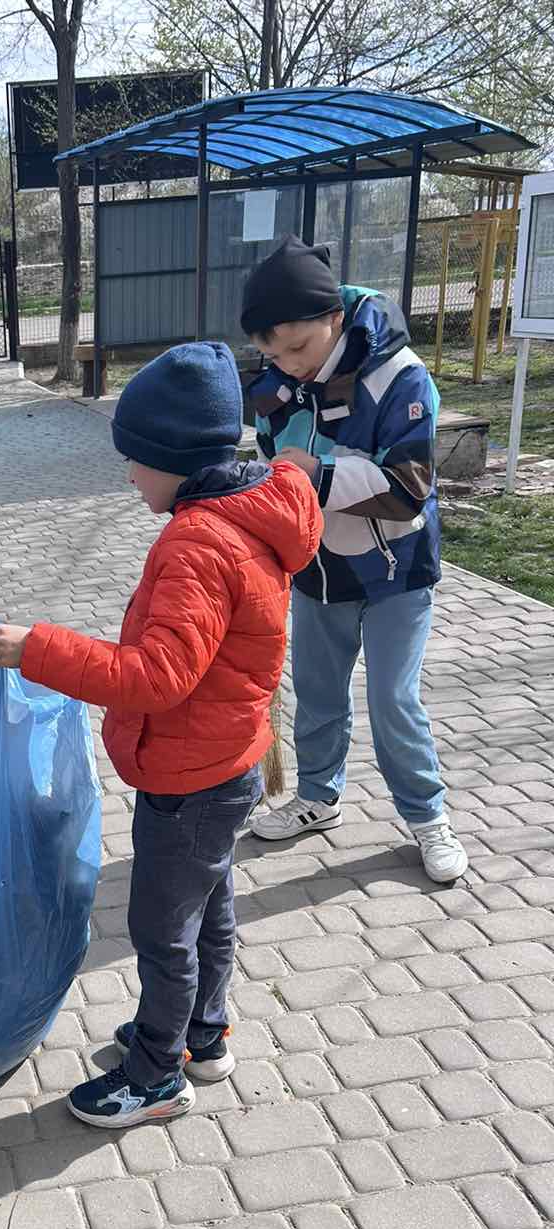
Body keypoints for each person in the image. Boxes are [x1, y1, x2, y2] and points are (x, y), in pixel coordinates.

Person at [0, 343, 321, 1128]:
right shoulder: (246, 517)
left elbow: (157, 676)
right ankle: (202, 1033)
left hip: (189, 779)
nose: (130, 476)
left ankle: (156, 1075)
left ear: (175, 458)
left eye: (135, 460)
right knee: (210, 906)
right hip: (225, 760)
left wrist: (40, 649)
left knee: (162, 931)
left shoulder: (198, 543)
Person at [241, 236, 467, 884]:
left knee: (393, 700)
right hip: (318, 572)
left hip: (398, 571)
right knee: (316, 692)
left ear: (334, 317)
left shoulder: (402, 377)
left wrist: (316, 474)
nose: (288, 365)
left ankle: (427, 816)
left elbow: (409, 488)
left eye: (297, 348)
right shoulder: (275, 386)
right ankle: (318, 797)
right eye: (272, 355)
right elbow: (272, 467)